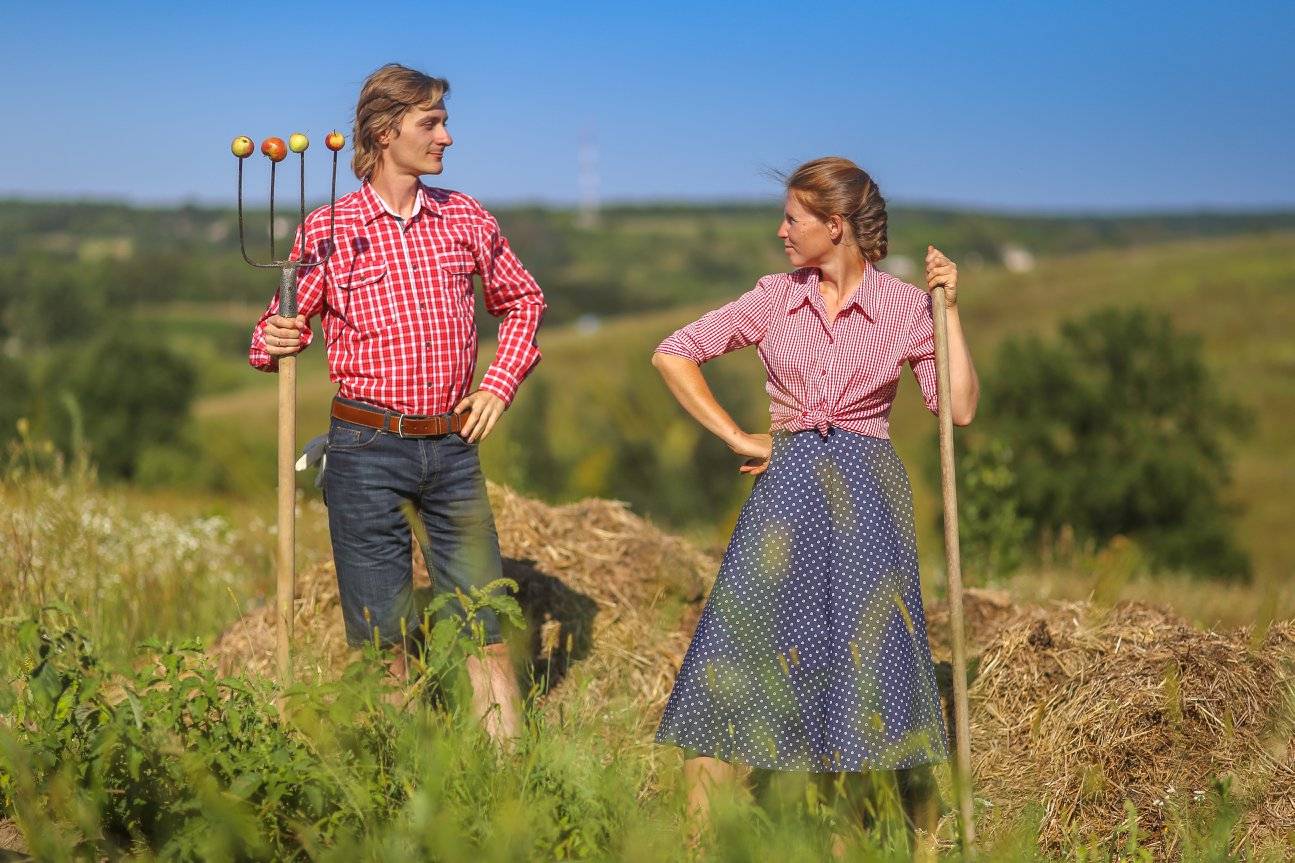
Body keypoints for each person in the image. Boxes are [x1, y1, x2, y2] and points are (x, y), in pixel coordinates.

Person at [651, 156, 978, 855]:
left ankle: (873, 840)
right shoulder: (774, 296)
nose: (780, 231)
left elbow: (957, 406)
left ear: (834, 226)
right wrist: (740, 433)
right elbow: (673, 352)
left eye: (792, 219)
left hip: (867, 495)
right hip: (788, 484)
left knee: (864, 666)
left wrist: (945, 310)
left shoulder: (904, 308)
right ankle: (698, 846)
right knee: (729, 661)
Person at [247, 63, 547, 742]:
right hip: (364, 449)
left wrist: (498, 383)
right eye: (431, 122)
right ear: (386, 132)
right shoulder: (327, 229)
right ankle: (395, 789)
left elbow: (524, 301)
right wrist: (278, 333)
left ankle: (510, 789)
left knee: (483, 626)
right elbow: (270, 340)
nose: (446, 136)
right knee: (383, 640)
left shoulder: (464, 216)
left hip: (451, 447)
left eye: (442, 120)